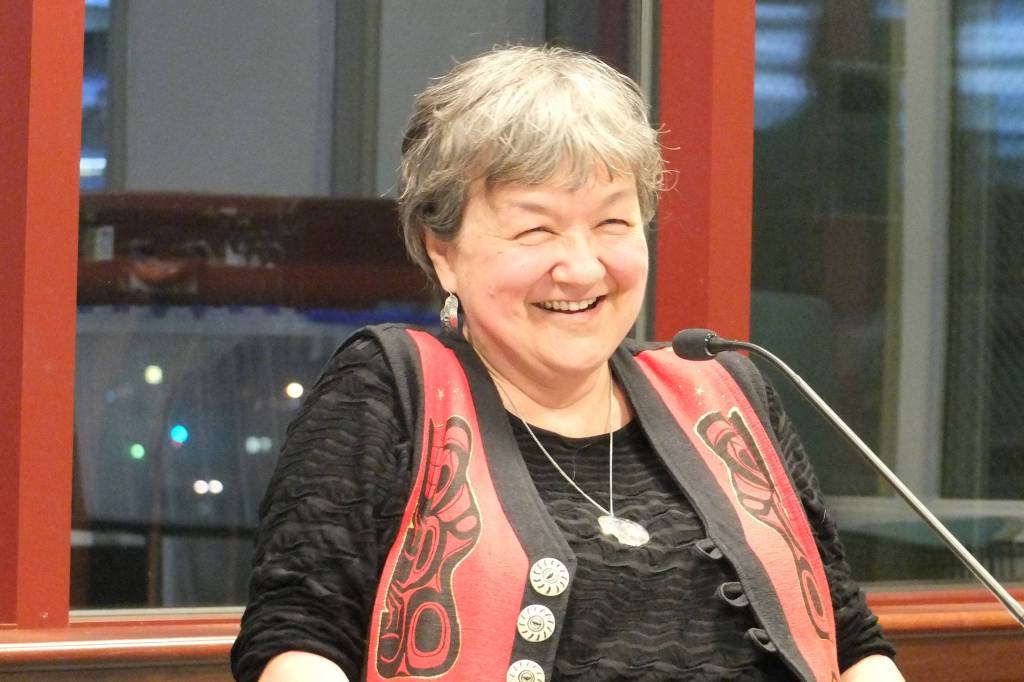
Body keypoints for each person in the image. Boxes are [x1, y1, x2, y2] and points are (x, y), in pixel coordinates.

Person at [231, 45, 903, 682]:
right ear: (443, 252)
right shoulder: (391, 391)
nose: (582, 268)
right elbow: (297, 641)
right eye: (536, 230)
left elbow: (851, 643)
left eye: (613, 223)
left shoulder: (725, 392)